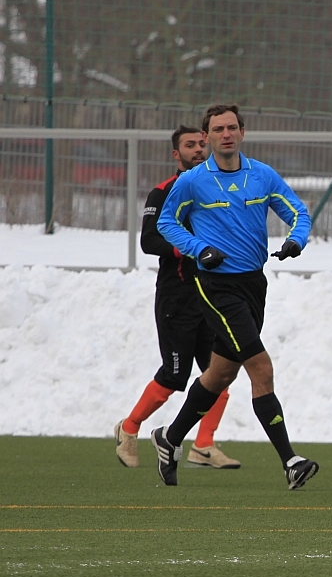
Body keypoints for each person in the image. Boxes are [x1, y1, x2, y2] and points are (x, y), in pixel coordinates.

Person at [152, 104, 318, 490]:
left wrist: (296, 240)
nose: (225, 134)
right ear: (207, 137)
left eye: (231, 128)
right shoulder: (193, 181)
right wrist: (198, 248)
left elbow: (299, 212)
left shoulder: (262, 175)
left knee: (220, 374)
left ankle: (170, 438)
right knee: (261, 367)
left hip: (254, 285)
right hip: (216, 287)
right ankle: (291, 461)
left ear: (242, 132)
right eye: (217, 129)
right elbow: (166, 222)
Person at [114, 126, 240, 471]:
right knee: (174, 375)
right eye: (190, 145)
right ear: (176, 154)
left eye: (201, 143)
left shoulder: (217, 188)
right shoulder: (163, 192)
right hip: (177, 300)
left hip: (211, 296)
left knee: (221, 373)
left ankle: (204, 445)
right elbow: (149, 242)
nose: (198, 149)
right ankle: (129, 427)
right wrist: (193, 249)